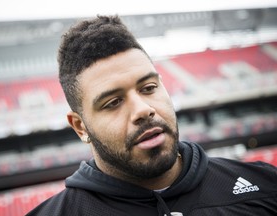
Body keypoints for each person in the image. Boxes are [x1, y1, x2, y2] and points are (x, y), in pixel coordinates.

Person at [26, 15, 277, 216]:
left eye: (148, 88)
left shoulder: (264, 186)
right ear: (81, 127)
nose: (143, 109)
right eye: (113, 102)